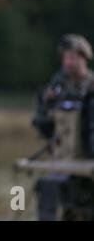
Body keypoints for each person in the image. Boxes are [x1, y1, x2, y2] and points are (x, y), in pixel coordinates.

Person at [32, 34, 94, 220]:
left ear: (83, 58)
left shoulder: (91, 87)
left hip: (87, 160)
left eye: (71, 57)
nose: (67, 62)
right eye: (64, 57)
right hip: (63, 159)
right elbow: (42, 122)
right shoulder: (57, 86)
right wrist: (46, 104)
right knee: (50, 192)